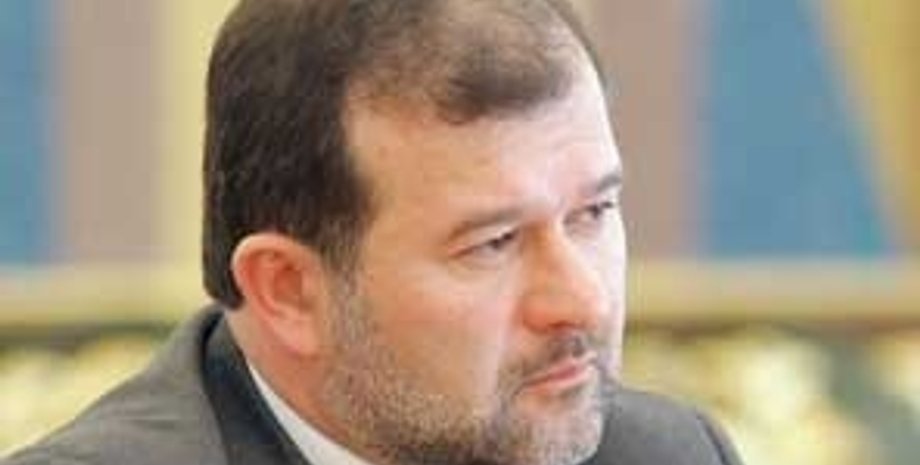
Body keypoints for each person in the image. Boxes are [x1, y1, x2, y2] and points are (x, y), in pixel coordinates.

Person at [3, 0, 744, 464]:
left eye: (593, 213)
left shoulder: (666, 453)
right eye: (493, 243)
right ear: (289, 290)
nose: (583, 301)